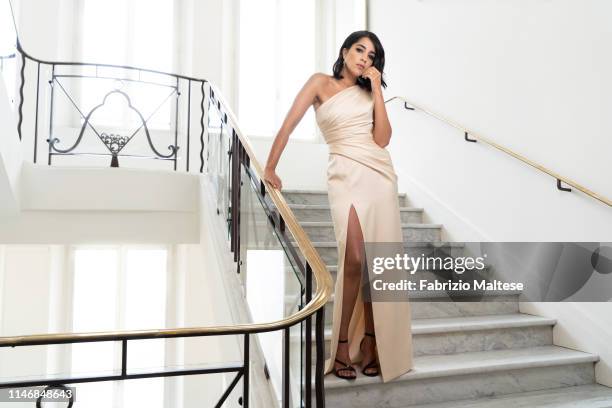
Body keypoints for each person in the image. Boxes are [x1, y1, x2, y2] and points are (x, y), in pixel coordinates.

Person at [264, 30, 413, 383]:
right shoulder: (320, 83)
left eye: (372, 55)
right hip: (344, 173)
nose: (365, 58)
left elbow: (382, 139)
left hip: (378, 173)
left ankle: (375, 344)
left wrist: (376, 88)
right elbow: (288, 125)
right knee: (356, 258)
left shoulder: (370, 91)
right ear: (345, 51)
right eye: (360, 50)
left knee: (378, 262)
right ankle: (343, 343)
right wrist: (270, 166)